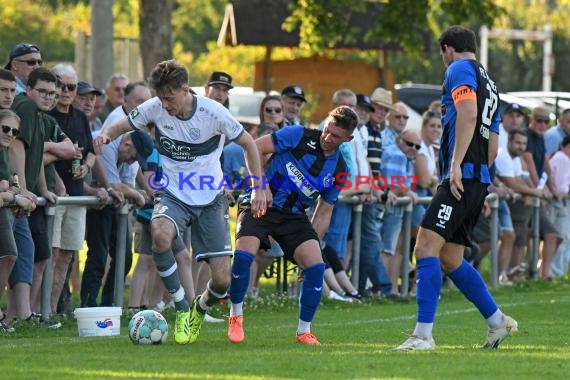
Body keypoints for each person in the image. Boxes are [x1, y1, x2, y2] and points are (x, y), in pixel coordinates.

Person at [93, 59, 266, 345]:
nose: (164, 104)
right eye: (160, 98)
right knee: (160, 235)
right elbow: (121, 125)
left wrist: (259, 187)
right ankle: (182, 308)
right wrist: (105, 135)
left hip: (210, 196)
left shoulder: (213, 112)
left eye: (169, 98)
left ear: (185, 89)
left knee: (222, 281)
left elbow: (248, 143)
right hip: (172, 192)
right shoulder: (155, 107)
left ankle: (199, 308)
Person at [393, 25, 517, 351]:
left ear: (447, 49)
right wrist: (478, 179)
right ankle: (497, 322)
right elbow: (493, 147)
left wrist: (455, 166)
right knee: (450, 257)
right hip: (477, 178)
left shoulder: (459, 69)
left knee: (424, 247)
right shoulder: (490, 83)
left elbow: (468, 113)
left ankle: (422, 336)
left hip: (460, 178)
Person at [227, 105, 358, 345]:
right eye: (327, 130)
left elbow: (322, 213)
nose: (328, 138)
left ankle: (304, 332)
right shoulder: (298, 134)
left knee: (316, 268)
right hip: (261, 203)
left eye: (336, 136)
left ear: (348, 139)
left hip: (293, 216)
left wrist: (312, 249)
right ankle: (236, 316)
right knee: (244, 257)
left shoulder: (340, 169)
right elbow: (253, 147)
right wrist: (260, 186)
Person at [0, 109, 35, 332]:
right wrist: (14, 197)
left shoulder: (4, 152)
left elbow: (6, 185)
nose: (10, 134)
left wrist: (15, 191)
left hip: (5, 210)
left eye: (14, 131)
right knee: (8, 255)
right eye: (5, 128)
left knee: (11, 256)